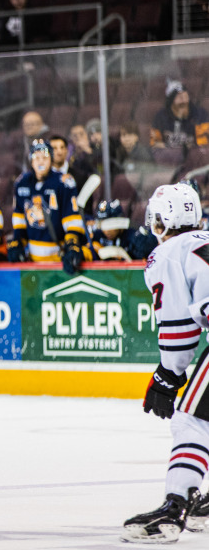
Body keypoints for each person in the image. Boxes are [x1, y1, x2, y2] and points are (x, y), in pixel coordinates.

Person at [120, 183, 209, 543]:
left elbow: (179, 328)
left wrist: (168, 375)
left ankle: (175, 506)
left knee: (192, 420)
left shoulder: (169, 252)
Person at [8, 140, 88, 274]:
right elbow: (19, 218)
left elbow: (72, 219)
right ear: (31, 161)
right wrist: (17, 243)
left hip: (58, 258)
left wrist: (72, 246)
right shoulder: (22, 183)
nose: (40, 162)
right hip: (32, 260)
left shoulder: (64, 182)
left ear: (51, 159)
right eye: (36, 158)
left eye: (45, 158)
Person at [151, 80, 209, 158]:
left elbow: (203, 146)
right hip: (168, 162)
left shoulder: (200, 115)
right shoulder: (160, 117)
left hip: (194, 160)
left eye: (185, 96)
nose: (184, 101)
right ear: (170, 102)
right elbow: (155, 144)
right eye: (179, 97)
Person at [90, 198, 157, 261]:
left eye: (110, 224)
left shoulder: (134, 237)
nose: (107, 231)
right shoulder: (97, 236)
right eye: (103, 224)